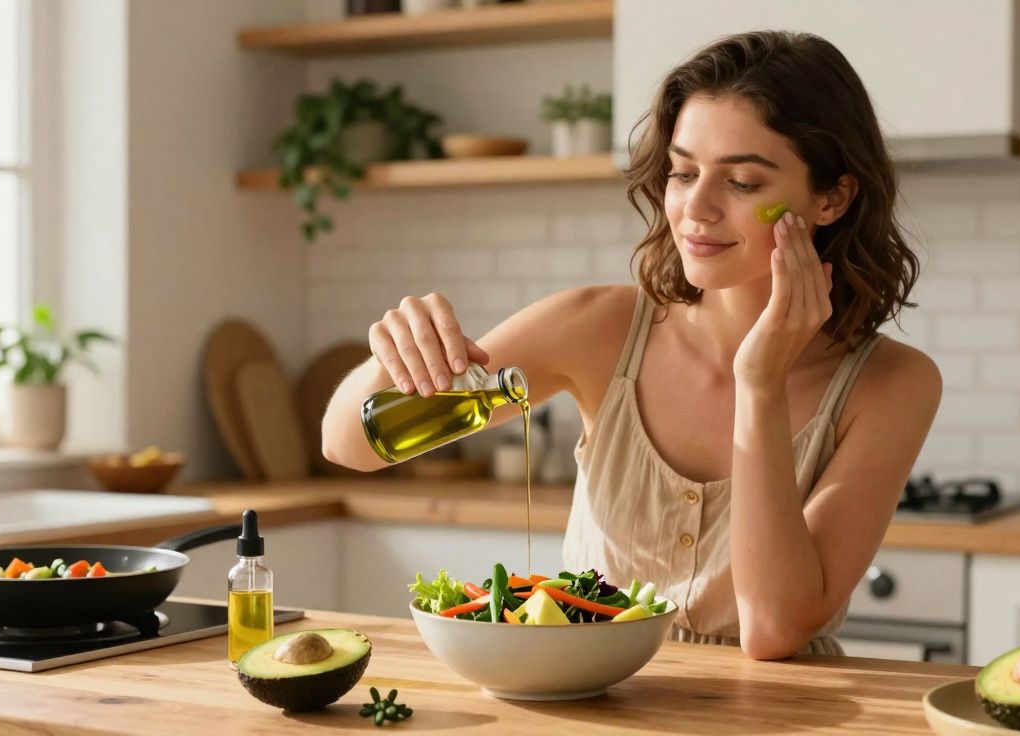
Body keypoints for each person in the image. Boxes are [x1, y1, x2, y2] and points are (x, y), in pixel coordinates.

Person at [322, 30, 941, 660]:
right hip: (591, 703)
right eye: (682, 171)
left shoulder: (891, 384)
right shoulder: (597, 329)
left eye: (744, 183)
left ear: (831, 197)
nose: (694, 208)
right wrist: (393, 356)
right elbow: (349, 447)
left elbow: (775, 631)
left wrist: (760, 381)